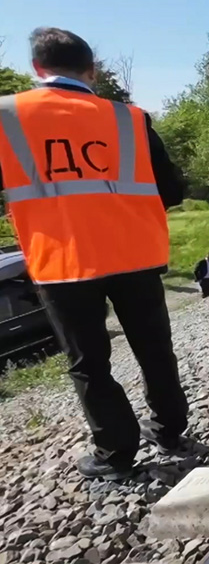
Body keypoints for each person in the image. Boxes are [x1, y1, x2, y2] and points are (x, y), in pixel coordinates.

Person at [0, 28, 188, 479]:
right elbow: (173, 189)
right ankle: (168, 428)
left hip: (62, 262)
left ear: (37, 69)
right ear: (93, 70)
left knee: (89, 362)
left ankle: (116, 454)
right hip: (135, 254)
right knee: (154, 349)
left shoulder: (7, 115)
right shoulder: (130, 118)